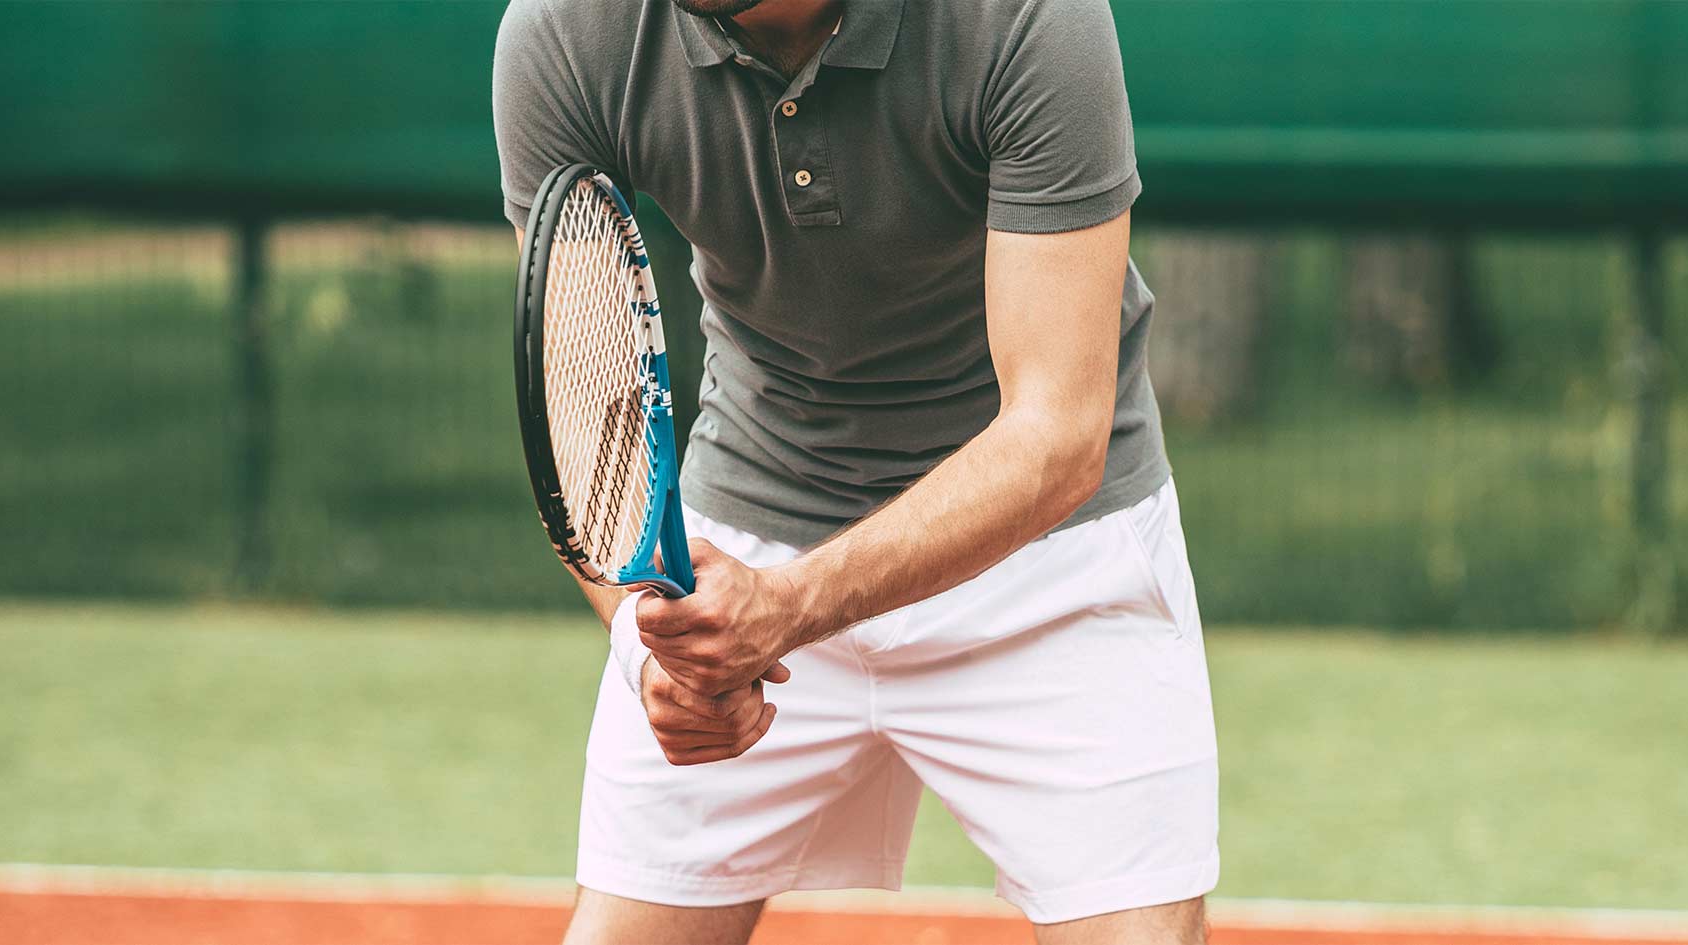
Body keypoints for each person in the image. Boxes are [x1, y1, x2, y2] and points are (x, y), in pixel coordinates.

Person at [493, 1, 1217, 941]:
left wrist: (788, 607)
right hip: (744, 536)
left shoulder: (1029, 15)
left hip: (1050, 556)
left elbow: (1059, 432)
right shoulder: (565, 30)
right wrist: (651, 642)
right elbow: (586, 423)